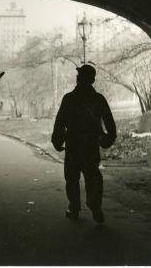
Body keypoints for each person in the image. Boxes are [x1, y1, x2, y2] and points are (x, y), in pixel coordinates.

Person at [51, 64, 116, 224]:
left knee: (72, 178)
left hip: (74, 144)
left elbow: (60, 122)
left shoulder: (69, 98)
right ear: (93, 80)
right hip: (90, 146)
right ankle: (95, 208)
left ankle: (74, 208)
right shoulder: (98, 99)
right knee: (92, 177)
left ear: (85, 79)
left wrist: (57, 140)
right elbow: (109, 121)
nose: (78, 78)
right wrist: (109, 138)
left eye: (80, 75)